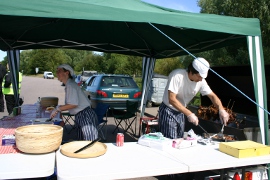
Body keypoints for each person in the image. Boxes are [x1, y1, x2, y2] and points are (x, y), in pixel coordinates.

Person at [158, 57, 229, 139]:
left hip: (181, 111)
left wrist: (221, 109)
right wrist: (189, 113)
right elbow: (172, 99)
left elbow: (212, 96)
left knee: (179, 139)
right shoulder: (177, 76)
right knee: (171, 141)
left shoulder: (201, 81)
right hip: (168, 110)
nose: (200, 79)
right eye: (199, 76)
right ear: (191, 72)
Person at [50, 64, 98, 141]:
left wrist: (57, 109)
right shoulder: (69, 84)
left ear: (67, 72)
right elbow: (71, 103)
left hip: (85, 115)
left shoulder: (70, 85)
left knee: (90, 143)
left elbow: (73, 104)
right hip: (81, 115)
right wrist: (57, 108)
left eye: (59, 71)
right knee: (81, 142)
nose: (57, 73)